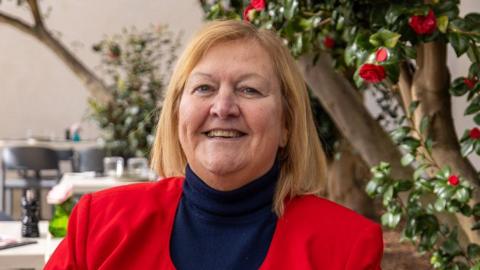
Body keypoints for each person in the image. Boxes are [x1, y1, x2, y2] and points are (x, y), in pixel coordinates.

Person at [45, 20, 383, 270]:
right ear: (178, 114)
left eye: (249, 90)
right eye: (204, 88)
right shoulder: (100, 224)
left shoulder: (347, 248)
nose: (223, 108)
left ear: (286, 124)